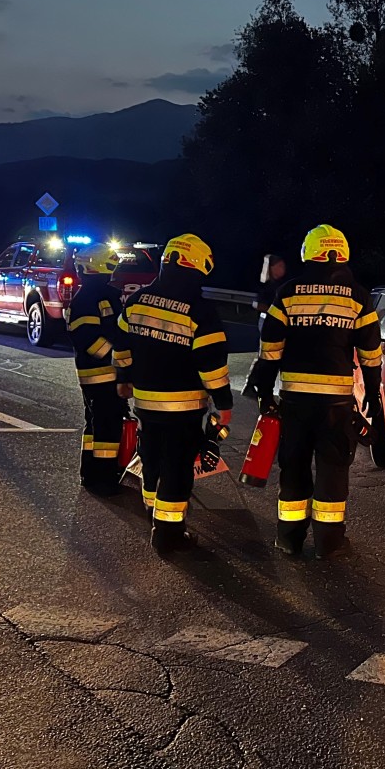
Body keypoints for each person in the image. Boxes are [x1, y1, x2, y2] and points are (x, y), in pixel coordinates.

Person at [251, 224, 381, 560]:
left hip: (295, 402)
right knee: (333, 471)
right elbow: (371, 354)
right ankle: (329, 543)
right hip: (336, 405)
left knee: (293, 468)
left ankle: (289, 539)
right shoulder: (358, 296)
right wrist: (373, 394)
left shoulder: (289, 293)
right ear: (343, 253)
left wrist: (264, 392)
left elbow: (270, 350)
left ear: (308, 254)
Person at [114, 233, 232, 555]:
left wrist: (123, 379)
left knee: (151, 459)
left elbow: (121, 346)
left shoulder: (137, 300)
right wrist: (224, 404)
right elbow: (212, 366)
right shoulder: (200, 311)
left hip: (145, 403)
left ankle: (152, 511)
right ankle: (168, 534)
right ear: (198, 265)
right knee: (177, 469)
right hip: (184, 408)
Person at [65, 243, 128, 493]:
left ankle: (90, 473)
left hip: (99, 375)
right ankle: (104, 479)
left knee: (95, 426)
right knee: (107, 428)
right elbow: (90, 342)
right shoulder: (88, 299)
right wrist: (121, 360)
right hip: (101, 376)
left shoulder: (99, 295)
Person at [242, 253, 287, 398]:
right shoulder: (267, 285)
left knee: (269, 354)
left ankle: (256, 384)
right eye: (280, 266)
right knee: (267, 354)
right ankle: (253, 384)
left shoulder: (280, 284)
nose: (283, 268)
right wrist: (275, 310)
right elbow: (257, 304)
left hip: (273, 322)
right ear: (272, 268)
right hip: (267, 321)